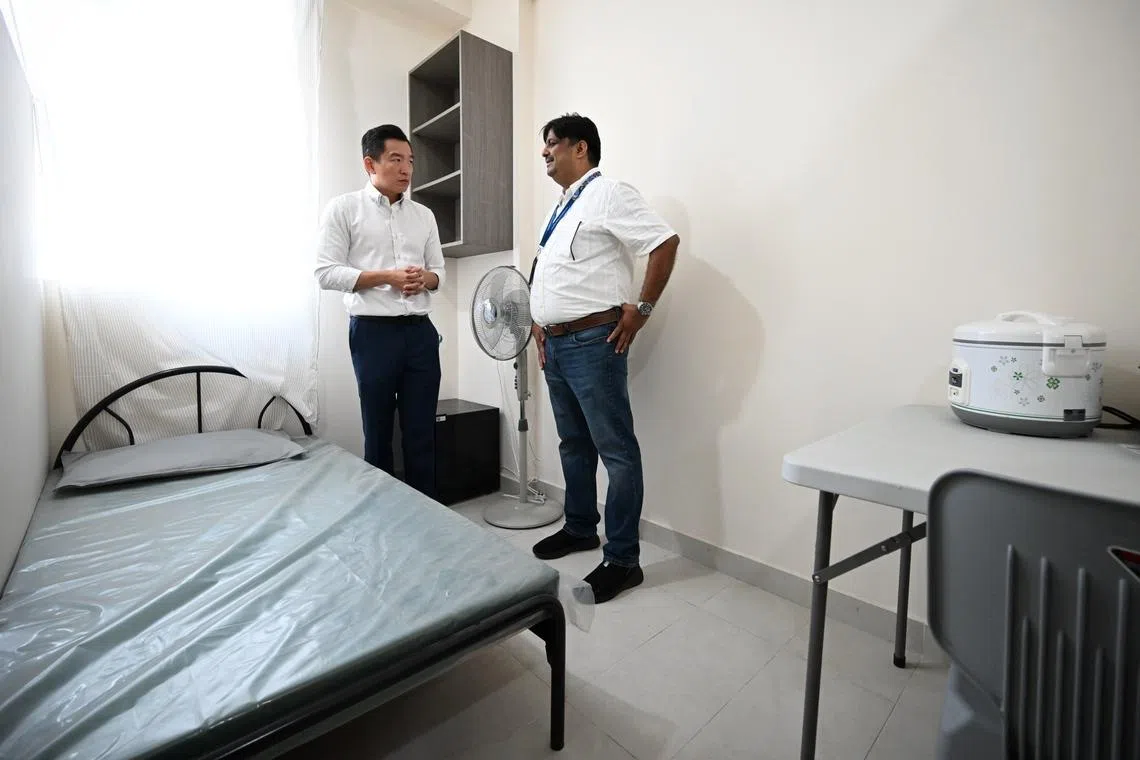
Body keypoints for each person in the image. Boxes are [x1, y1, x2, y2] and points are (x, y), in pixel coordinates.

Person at [528, 113, 680, 603]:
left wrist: (643, 309)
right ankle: (579, 528)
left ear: (581, 148)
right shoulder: (563, 206)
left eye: (552, 144)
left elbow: (663, 242)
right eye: (544, 145)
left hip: (595, 343)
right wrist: (539, 320)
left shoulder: (608, 193)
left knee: (616, 450)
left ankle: (622, 559)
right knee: (574, 444)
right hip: (556, 343)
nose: (545, 152)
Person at [314, 124, 445, 498]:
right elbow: (326, 272)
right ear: (370, 164)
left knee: (423, 430)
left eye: (411, 161)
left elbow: (441, 271)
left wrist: (427, 280)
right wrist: (385, 276)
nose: (407, 169)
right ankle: (382, 516)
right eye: (396, 159)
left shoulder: (424, 216)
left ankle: (427, 514)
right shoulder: (343, 209)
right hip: (373, 334)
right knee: (378, 430)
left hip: (420, 333)